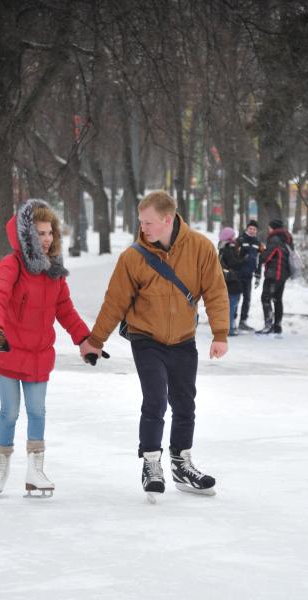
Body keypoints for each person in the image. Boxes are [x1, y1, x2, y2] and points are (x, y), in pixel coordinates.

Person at [80, 190, 229, 499]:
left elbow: (215, 291)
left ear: (167, 219)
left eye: (148, 223)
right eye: (141, 222)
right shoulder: (133, 257)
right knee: (156, 399)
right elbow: (115, 302)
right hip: (146, 338)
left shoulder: (200, 248)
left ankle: (181, 463)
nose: (143, 228)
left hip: (184, 340)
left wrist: (220, 333)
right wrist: (95, 341)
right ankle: (151, 463)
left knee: (185, 403)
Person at [0, 199, 90, 496]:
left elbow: (66, 309)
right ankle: (1, 465)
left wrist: (85, 339)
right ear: (27, 235)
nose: (46, 239)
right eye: (40, 233)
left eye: (50, 233)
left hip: (38, 356)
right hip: (7, 350)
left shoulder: (53, 271)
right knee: (10, 411)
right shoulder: (12, 265)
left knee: (38, 411)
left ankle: (34, 471)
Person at [256, 218, 293, 336]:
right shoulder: (287, 238)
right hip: (283, 274)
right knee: (277, 300)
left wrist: (260, 255)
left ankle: (268, 326)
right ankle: (277, 326)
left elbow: (267, 256)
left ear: (273, 227)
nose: (268, 229)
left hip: (274, 274)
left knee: (266, 298)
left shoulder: (274, 239)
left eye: (269, 227)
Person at [235, 220, 264, 332]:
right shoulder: (240, 240)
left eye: (254, 229)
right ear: (247, 229)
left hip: (249, 275)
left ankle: (243, 322)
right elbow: (233, 256)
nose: (252, 231)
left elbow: (259, 260)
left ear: (256, 231)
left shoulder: (258, 243)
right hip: (237, 275)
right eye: (250, 229)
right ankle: (232, 321)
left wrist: (258, 276)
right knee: (236, 298)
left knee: (247, 299)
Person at [218, 227, 244, 336]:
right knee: (231, 305)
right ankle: (229, 329)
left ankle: (226, 327)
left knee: (228, 305)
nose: (235, 238)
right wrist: (244, 258)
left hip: (225, 280)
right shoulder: (229, 249)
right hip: (232, 281)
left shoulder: (222, 247)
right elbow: (235, 263)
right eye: (233, 236)